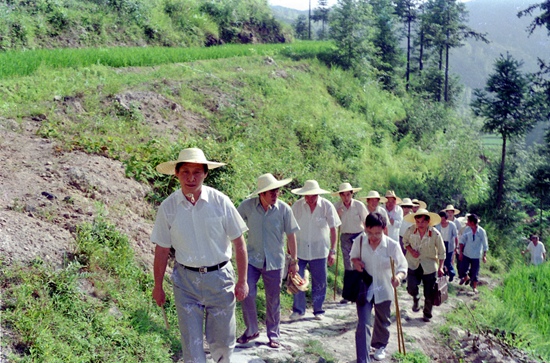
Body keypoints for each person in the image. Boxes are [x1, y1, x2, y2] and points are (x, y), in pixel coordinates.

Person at [151, 148, 249, 363]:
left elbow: (239, 243)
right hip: (186, 283)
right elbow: (161, 250)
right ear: (176, 174)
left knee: (222, 342)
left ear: (205, 174)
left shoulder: (220, 201)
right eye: (185, 172)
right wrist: (157, 286)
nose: (191, 178)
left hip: (220, 279)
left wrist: (242, 281)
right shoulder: (168, 208)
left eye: (197, 172)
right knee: (192, 345)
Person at [236, 173, 300, 348]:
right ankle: (251, 330)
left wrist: (294, 262)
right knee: (247, 292)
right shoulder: (247, 207)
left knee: (273, 298)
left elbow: (291, 236)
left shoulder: (284, 209)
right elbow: (233, 224)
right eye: (271, 191)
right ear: (261, 194)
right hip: (252, 259)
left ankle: (273, 334)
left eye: (277, 191)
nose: (275, 194)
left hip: (275, 261)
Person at [351, 213, 407, 362]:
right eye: (370, 232)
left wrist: (398, 277)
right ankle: (362, 359)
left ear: (384, 229)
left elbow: (403, 266)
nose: (373, 236)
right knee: (363, 323)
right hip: (365, 288)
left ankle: (380, 346)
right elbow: (353, 257)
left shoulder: (391, 245)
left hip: (384, 287)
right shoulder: (360, 241)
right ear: (365, 228)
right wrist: (356, 263)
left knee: (383, 321)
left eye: (377, 233)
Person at [290, 180, 341, 320]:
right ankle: (298, 310)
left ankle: (318, 309)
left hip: (320, 250)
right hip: (300, 249)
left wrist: (333, 251)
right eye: (307, 195)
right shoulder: (297, 206)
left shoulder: (326, 206)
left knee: (320, 281)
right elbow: (290, 229)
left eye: (312, 195)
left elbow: (333, 229)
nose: (309, 198)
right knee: (297, 279)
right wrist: (290, 250)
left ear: (318, 194)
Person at [402, 209, 445, 322]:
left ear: (428, 222)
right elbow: (405, 242)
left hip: (429, 265)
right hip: (412, 263)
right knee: (411, 286)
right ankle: (415, 297)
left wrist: (441, 267)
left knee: (429, 292)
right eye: (418, 222)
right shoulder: (410, 230)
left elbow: (442, 252)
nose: (420, 224)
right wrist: (411, 251)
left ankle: (427, 313)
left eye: (423, 222)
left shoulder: (435, 234)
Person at [332, 182, 368, 304]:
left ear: (352, 194)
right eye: (343, 195)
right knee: (348, 263)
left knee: (360, 263)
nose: (346, 198)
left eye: (348, 194)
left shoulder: (358, 205)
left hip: (359, 236)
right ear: (340, 196)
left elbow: (366, 221)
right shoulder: (336, 207)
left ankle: (361, 292)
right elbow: (332, 224)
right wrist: (337, 215)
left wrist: (369, 237)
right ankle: (348, 295)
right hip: (345, 236)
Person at [458, 214, 488, 293]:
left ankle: (474, 287)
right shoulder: (467, 230)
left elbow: (485, 244)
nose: (466, 222)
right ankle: (465, 278)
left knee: (475, 272)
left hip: (476, 255)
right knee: (462, 269)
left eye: (468, 221)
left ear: (472, 222)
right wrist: (460, 252)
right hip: (467, 253)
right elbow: (462, 241)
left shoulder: (481, 231)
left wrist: (484, 256)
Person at [435, 211, 458, 282]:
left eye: (443, 220)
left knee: (448, 261)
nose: (442, 222)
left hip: (449, 244)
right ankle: (444, 274)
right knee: (441, 259)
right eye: (441, 220)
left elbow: (456, 236)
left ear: (446, 218)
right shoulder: (437, 225)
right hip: (441, 243)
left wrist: (456, 247)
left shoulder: (452, 225)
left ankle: (452, 273)